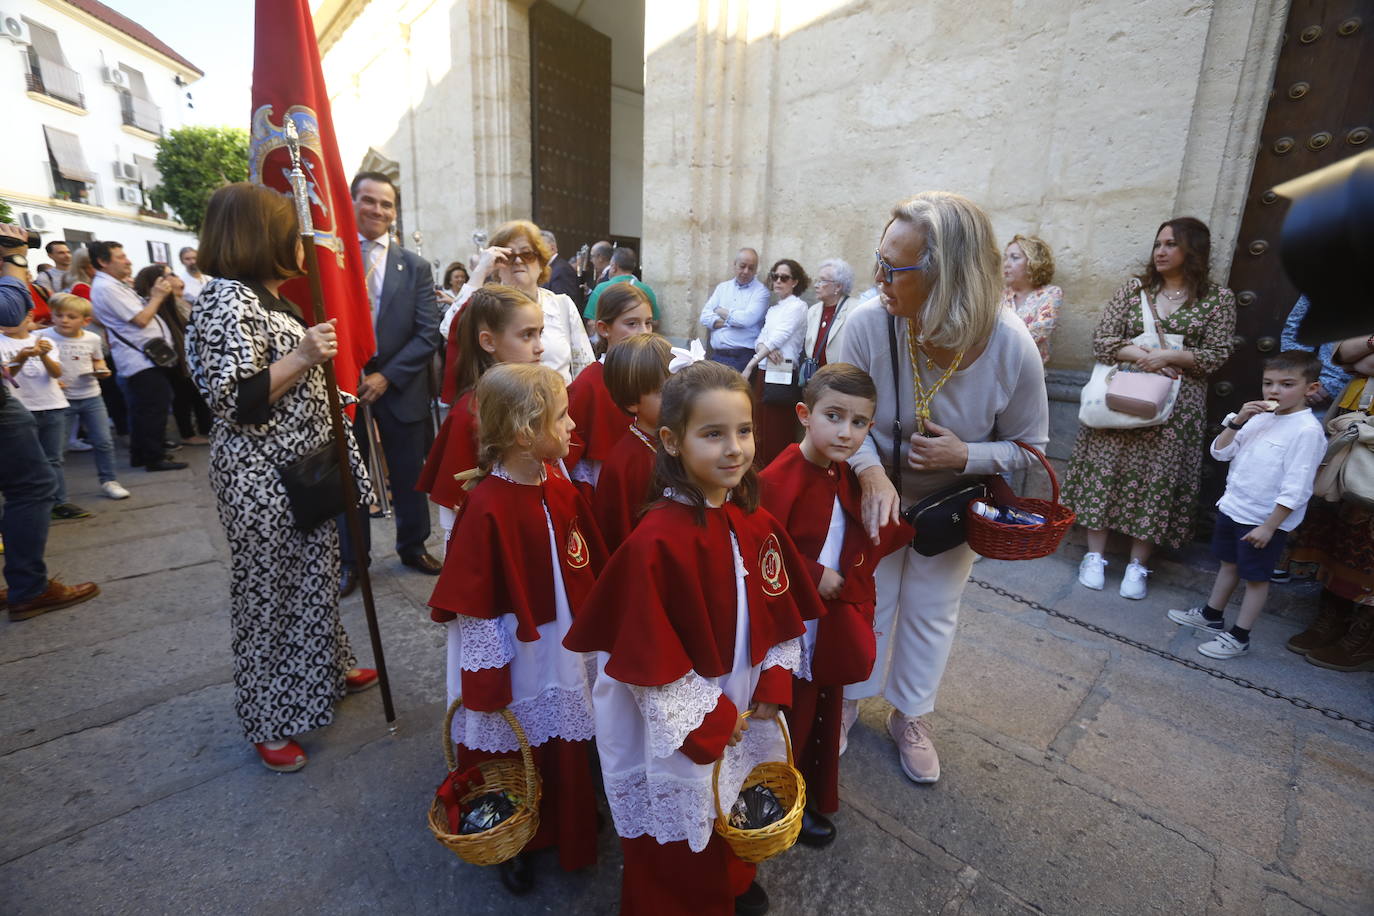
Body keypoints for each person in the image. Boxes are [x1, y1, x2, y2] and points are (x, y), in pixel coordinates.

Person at [564, 359, 824, 916]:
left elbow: (781, 616)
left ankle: (729, 879)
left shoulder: (757, 522)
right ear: (672, 441)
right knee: (680, 832)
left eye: (745, 430)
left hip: (739, 704)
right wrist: (710, 722)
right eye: (713, 434)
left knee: (730, 806)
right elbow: (646, 665)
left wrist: (771, 685)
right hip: (678, 724)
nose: (735, 448)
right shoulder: (654, 542)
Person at [834, 192, 1049, 785]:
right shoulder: (866, 322)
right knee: (865, 602)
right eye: (878, 259)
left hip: (952, 508)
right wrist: (871, 471)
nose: (878, 277)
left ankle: (911, 717)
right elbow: (837, 418)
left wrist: (967, 454)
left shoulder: (1011, 344)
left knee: (932, 610)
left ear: (946, 276)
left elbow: (1031, 447)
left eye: (894, 268)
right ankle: (850, 700)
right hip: (869, 489)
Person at [185, 183, 378, 773]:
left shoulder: (267, 298)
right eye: (292, 230)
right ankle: (268, 718)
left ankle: (326, 666)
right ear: (260, 235)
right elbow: (234, 399)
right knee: (269, 597)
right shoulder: (226, 300)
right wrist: (302, 357)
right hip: (263, 479)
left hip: (301, 469)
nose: (301, 242)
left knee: (313, 578)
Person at [429, 362, 604, 894]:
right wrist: (485, 681)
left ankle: (568, 819)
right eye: (563, 416)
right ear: (527, 433)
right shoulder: (486, 506)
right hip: (517, 651)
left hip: (562, 641)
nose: (574, 426)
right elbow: (476, 605)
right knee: (515, 742)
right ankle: (513, 831)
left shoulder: (558, 482)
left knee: (566, 728)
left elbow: (582, 556)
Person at [758, 364, 910, 848]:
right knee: (786, 718)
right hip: (790, 629)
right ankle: (772, 800)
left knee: (820, 712)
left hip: (826, 624)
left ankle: (802, 795)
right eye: (834, 416)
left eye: (860, 422)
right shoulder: (779, 477)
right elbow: (757, 549)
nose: (846, 432)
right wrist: (811, 573)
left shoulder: (842, 473)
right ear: (804, 414)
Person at [1063, 218, 1236, 599]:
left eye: (1171, 244)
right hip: (1121, 395)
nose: (1160, 251)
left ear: (1193, 251)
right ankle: (1094, 557)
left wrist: (1172, 357)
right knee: (1107, 469)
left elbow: (1217, 354)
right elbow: (1103, 339)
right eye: (1158, 243)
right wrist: (1147, 356)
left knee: (1157, 480)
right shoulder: (1134, 289)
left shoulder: (1218, 299)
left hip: (1177, 406)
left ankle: (1138, 565)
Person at [1165, 351, 1325, 658]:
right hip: (1234, 507)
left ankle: (1240, 636)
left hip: (1263, 520)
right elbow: (1220, 453)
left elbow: (1298, 489)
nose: (1274, 391)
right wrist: (1237, 421)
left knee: (1255, 577)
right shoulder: (1258, 418)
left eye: (1287, 384)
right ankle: (1212, 614)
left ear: (1311, 388)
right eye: (1268, 383)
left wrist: (1269, 527)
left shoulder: (1306, 431)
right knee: (1228, 564)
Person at [337, 171, 445, 597]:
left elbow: (427, 332)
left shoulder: (414, 266)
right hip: (346, 385)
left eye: (386, 204)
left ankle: (413, 545)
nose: (377, 210)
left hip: (399, 386)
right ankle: (353, 560)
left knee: (408, 472)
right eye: (368, 201)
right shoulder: (333, 260)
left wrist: (386, 376)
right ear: (352, 203)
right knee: (351, 476)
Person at [0, 222, 99, 620]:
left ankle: (25, 584)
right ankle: (29, 589)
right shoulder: (12, 262)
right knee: (33, 484)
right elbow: (9, 311)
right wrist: (14, 256)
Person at [417, 286, 545, 544]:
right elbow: (456, 510)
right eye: (527, 335)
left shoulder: (532, 395)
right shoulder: (472, 412)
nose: (539, 347)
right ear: (488, 341)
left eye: (540, 333)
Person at [1286, 332, 1374, 672]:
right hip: (1351, 423)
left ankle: (1364, 635)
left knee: (1368, 531)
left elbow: (1361, 361)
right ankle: (1332, 619)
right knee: (1336, 521)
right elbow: (1340, 353)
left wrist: (1362, 359)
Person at [88, 240, 186, 472]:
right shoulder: (106, 288)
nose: (128, 261)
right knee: (153, 407)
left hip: (143, 358)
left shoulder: (113, 285)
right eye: (120, 257)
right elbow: (141, 319)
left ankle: (142, 454)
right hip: (140, 359)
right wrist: (157, 297)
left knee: (144, 408)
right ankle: (154, 457)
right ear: (103, 262)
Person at [458, 220, 594, 384]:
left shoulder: (561, 305)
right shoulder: (487, 305)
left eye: (527, 254)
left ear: (541, 263)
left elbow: (584, 370)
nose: (518, 261)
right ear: (496, 264)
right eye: (508, 256)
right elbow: (450, 329)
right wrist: (480, 270)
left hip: (560, 406)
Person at [1, 304, 89, 520]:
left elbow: (56, 372)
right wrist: (21, 357)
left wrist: (43, 356)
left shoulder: (44, 340)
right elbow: (6, 376)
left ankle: (59, 502)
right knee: (27, 462)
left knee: (54, 458)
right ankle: (34, 504)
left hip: (52, 405)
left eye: (11, 315)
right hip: (20, 409)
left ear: (28, 316)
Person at [38, 293, 129, 500]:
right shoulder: (44, 337)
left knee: (104, 441)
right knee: (58, 450)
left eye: (71, 316)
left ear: (85, 321)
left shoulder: (92, 338)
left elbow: (97, 360)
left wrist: (102, 369)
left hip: (91, 395)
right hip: (60, 400)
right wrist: (51, 381)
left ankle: (109, 480)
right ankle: (57, 494)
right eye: (59, 315)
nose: (64, 320)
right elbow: (36, 365)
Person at [565, 282, 654, 490]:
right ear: (604, 329)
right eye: (632, 324)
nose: (644, 332)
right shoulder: (589, 384)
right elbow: (570, 452)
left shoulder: (656, 376)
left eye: (648, 323)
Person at [594, 332, 673, 550]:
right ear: (631, 402)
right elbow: (619, 533)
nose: (677, 398)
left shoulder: (679, 440)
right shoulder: (625, 463)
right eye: (665, 391)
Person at [133, 264, 210, 446]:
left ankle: (205, 428)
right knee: (183, 396)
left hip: (190, 356)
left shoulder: (180, 301)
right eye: (170, 275)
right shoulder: (161, 304)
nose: (176, 278)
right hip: (177, 359)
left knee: (196, 394)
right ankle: (188, 434)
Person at [745, 258, 810, 467]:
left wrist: (750, 365)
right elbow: (760, 340)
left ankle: (777, 473)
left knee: (777, 429)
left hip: (783, 373)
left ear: (795, 282)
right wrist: (765, 351)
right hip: (766, 371)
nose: (778, 281)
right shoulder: (774, 309)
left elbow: (779, 337)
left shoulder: (798, 306)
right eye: (775, 276)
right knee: (760, 426)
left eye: (784, 277)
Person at [698, 248, 771, 372]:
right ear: (734, 265)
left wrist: (719, 310)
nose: (746, 271)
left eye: (751, 268)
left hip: (742, 358)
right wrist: (732, 322)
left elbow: (745, 320)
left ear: (756, 269)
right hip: (717, 356)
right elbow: (704, 317)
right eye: (742, 266)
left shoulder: (761, 292)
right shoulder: (723, 288)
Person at [1001, 234, 1063, 365]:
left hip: (1028, 372)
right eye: (1005, 258)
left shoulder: (1050, 294)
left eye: (1015, 258)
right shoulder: (999, 295)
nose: (1006, 264)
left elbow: (1038, 332)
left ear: (1033, 262)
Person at [582, 246, 661, 323]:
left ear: (614, 267)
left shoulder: (602, 288)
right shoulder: (646, 289)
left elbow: (591, 322)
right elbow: (655, 322)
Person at [803, 258, 857, 369]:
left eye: (822, 281)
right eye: (817, 280)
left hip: (840, 378)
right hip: (815, 378)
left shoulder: (855, 310)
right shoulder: (813, 311)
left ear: (838, 286)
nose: (816, 285)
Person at [540, 229, 582, 305]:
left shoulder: (561, 270)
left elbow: (562, 304)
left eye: (540, 247)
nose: (536, 251)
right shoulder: (550, 267)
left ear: (552, 248)